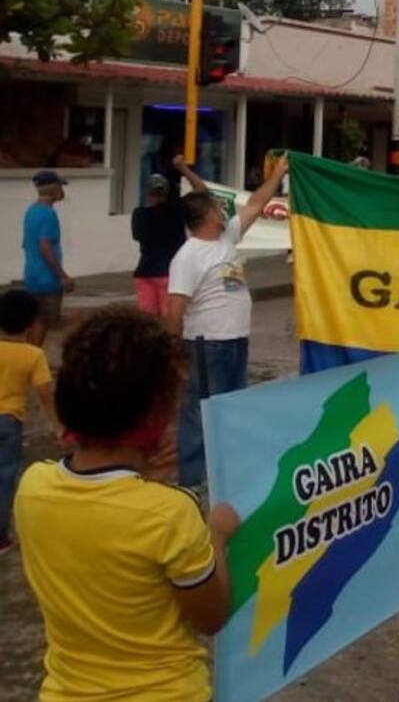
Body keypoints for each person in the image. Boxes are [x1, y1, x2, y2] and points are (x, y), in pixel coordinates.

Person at [14, 307, 239, 698]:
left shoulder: (32, 487)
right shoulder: (171, 512)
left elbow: (103, 521)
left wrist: (144, 480)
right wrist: (215, 534)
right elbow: (210, 616)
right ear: (158, 412)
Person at [167, 154, 290, 489]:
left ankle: (224, 474)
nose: (224, 210)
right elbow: (175, 307)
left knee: (230, 408)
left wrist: (278, 174)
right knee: (201, 411)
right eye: (217, 208)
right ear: (206, 216)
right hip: (208, 345)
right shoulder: (188, 256)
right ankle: (193, 481)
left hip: (235, 339)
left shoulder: (227, 237)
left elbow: (256, 203)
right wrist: (175, 349)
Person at [0, 290, 55, 554]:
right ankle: (1, 537)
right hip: (9, 421)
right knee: (4, 478)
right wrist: (58, 426)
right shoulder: (33, 355)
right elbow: (45, 395)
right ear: (32, 323)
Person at [131, 156, 207, 318]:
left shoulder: (139, 214)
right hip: (171, 272)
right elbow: (202, 191)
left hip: (145, 271)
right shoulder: (176, 210)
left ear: (148, 192)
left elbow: (137, 237)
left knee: (147, 322)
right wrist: (182, 168)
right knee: (171, 319)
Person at [22, 170, 74, 347]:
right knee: (43, 321)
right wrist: (62, 276)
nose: (62, 190)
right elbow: (45, 246)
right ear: (54, 189)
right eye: (60, 186)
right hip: (47, 279)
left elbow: (25, 243)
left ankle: (29, 354)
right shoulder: (48, 214)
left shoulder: (31, 211)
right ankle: (33, 358)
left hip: (31, 275)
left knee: (33, 319)